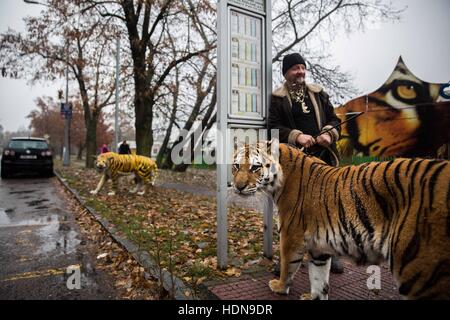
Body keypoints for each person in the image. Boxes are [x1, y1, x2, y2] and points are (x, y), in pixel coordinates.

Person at [268, 52, 344, 274]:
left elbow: (334, 120)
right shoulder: (277, 98)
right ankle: (287, 257)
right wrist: (297, 136)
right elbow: (272, 127)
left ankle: (328, 254)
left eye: (302, 67)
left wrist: (329, 134)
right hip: (295, 164)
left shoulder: (319, 94)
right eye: (295, 68)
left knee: (327, 209)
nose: (300, 71)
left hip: (324, 160)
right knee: (292, 212)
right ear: (286, 73)